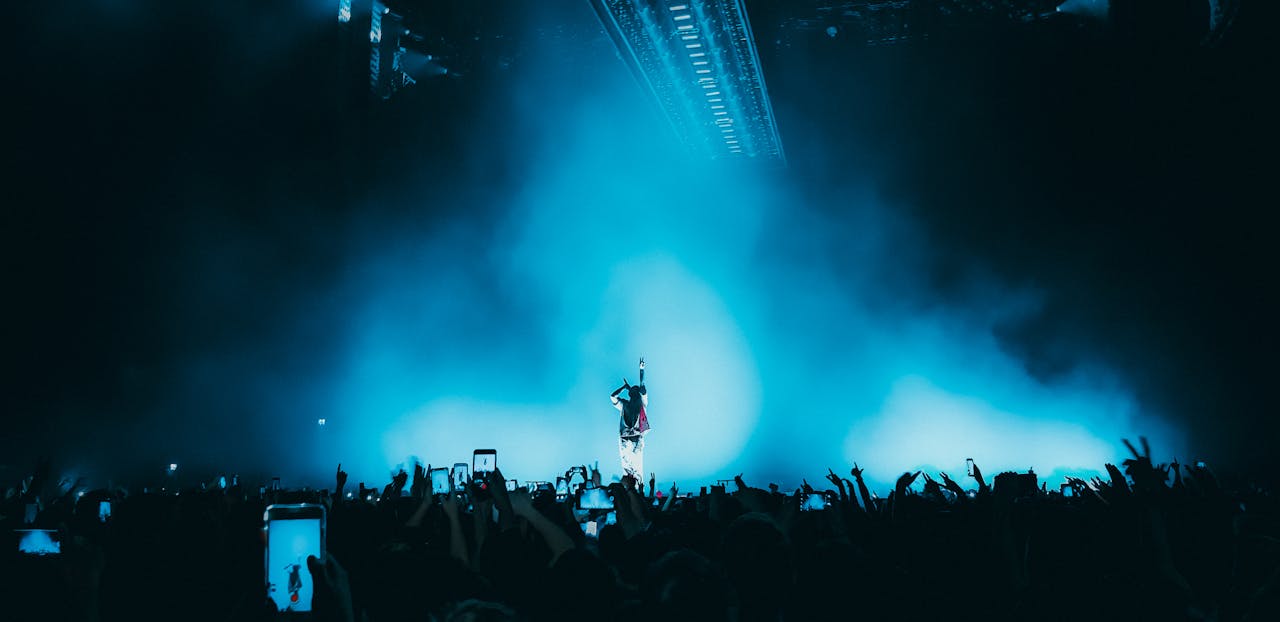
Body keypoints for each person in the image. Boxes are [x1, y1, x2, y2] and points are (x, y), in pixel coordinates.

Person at [610, 357, 649, 482]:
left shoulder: (642, 404)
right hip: (626, 440)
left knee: (637, 472)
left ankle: (638, 493)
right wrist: (624, 387)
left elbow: (642, 387)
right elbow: (613, 396)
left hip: (636, 438)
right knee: (627, 472)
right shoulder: (625, 405)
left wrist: (641, 370)